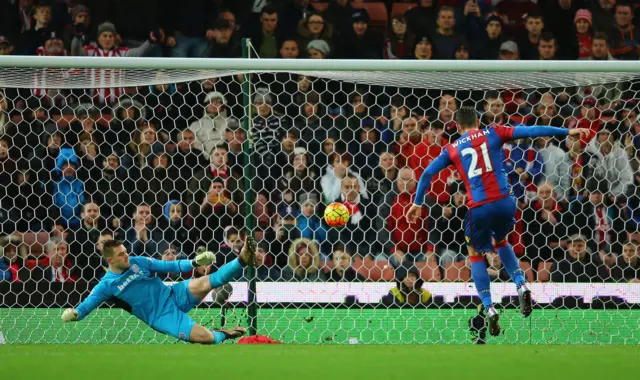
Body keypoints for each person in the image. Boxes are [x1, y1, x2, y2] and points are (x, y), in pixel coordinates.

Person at [406, 106, 591, 337]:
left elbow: (426, 174)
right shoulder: (493, 132)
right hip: (506, 201)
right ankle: (521, 283)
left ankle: (489, 306)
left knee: (474, 252)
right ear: (477, 120)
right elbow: (531, 130)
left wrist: (418, 202)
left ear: (459, 126)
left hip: (480, 206)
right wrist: (566, 132)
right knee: (502, 241)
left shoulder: (452, 148)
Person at [61, 237, 258, 344]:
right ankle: (222, 334)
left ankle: (241, 259)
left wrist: (194, 262)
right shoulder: (106, 286)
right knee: (206, 338)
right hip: (161, 315)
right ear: (110, 260)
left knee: (210, 281)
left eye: (126, 252)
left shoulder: (138, 262)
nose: (126, 256)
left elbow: (168, 267)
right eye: (121, 255)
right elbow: (88, 304)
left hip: (172, 294)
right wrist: (76, 313)